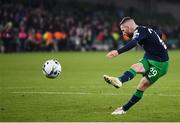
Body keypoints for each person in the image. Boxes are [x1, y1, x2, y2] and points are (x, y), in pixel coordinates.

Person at [103, 17, 169, 115]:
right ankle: (119, 81)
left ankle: (124, 109)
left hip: (160, 64)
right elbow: (157, 33)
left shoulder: (139, 31)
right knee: (135, 67)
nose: (123, 33)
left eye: (123, 30)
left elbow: (134, 43)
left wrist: (118, 52)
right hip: (149, 57)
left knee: (142, 85)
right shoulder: (144, 30)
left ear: (129, 27)